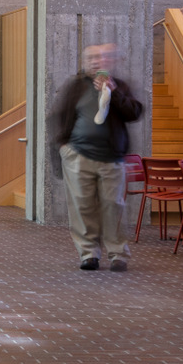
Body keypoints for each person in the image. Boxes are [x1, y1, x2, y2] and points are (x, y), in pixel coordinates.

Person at [49, 44, 143, 271]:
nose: (95, 62)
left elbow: (135, 112)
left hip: (111, 158)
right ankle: (88, 253)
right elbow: (58, 117)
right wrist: (63, 148)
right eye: (90, 58)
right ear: (84, 62)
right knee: (82, 206)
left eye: (99, 58)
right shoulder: (75, 87)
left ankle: (117, 253)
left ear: (108, 62)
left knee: (113, 206)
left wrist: (115, 92)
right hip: (78, 156)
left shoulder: (119, 85)